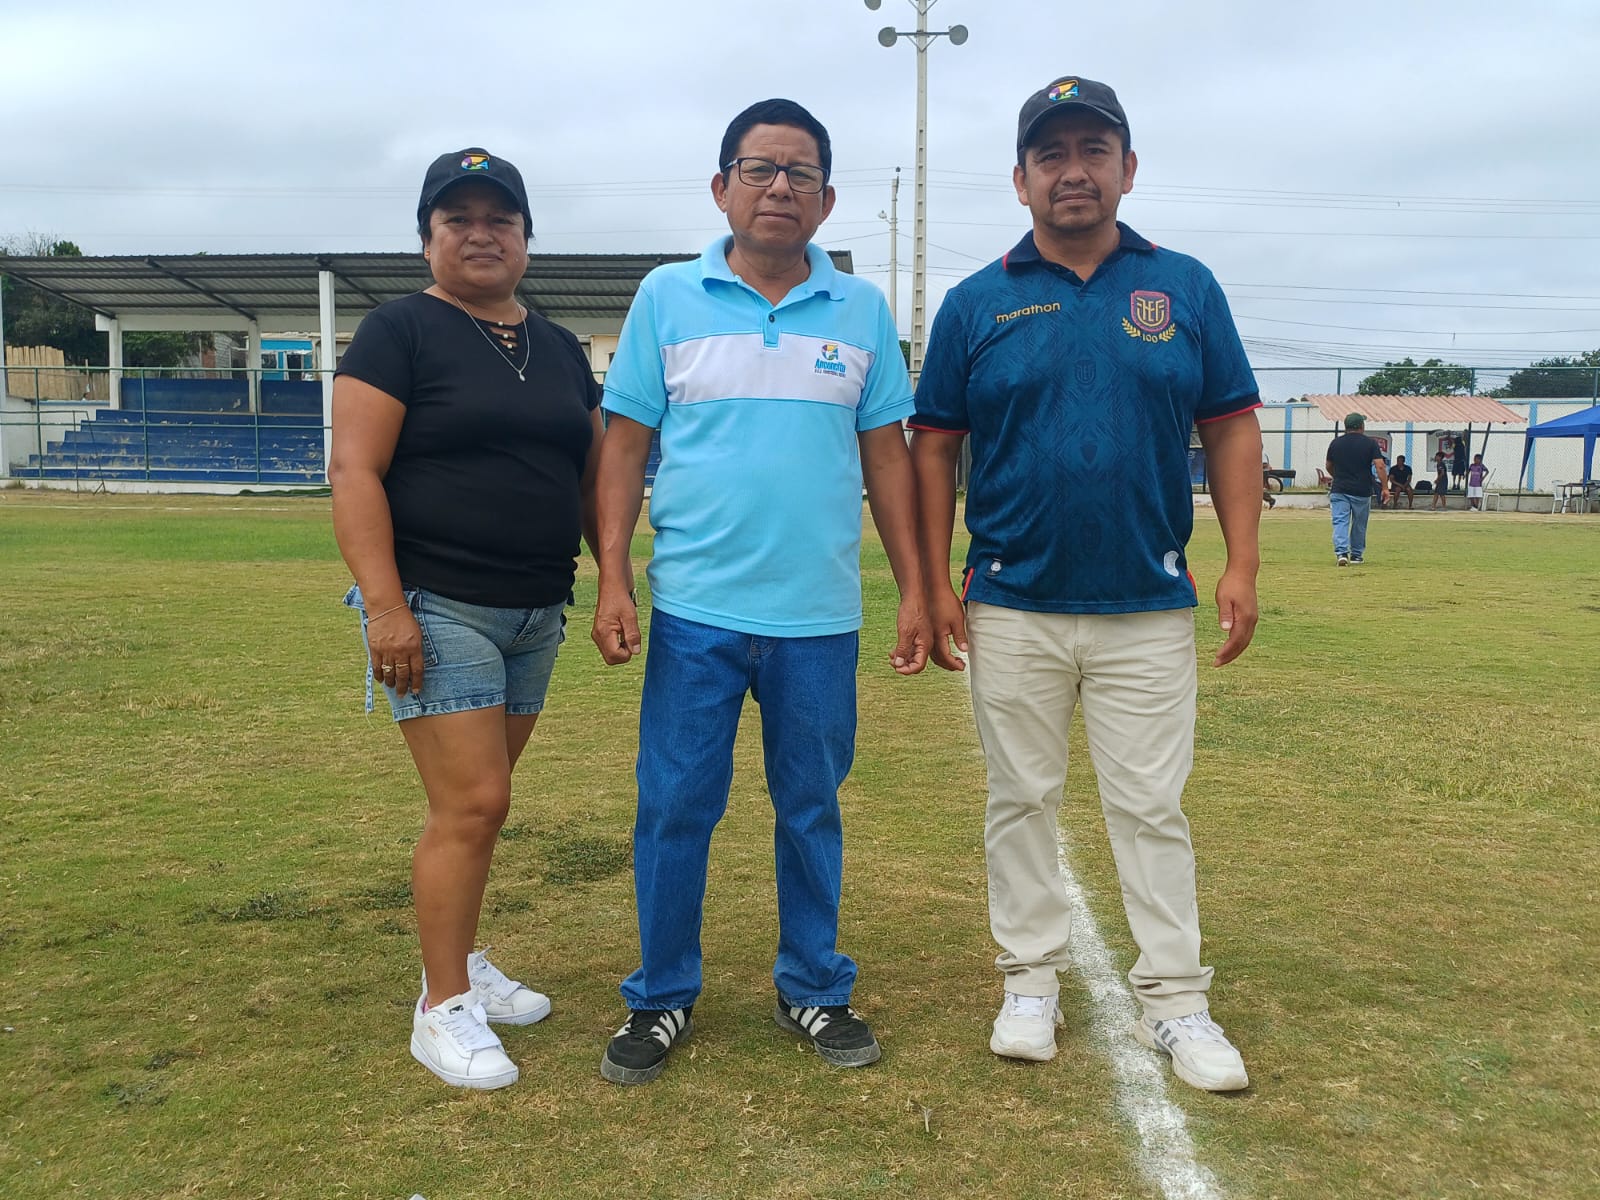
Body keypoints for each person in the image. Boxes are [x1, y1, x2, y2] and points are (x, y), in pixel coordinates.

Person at [909, 75, 1260, 1092]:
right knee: (1020, 799)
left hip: (1146, 602)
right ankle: (1029, 983)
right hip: (1012, 600)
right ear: (1020, 179)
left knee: (1151, 806)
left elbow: (1231, 426)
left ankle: (1176, 1001)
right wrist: (931, 581)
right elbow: (934, 448)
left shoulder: (1183, 287)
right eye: (1051, 154)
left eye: (1093, 151)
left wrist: (1241, 561)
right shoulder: (976, 302)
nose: (1074, 171)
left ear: (1127, 169)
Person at [590, 98, 929, 1086]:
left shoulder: (861, 313)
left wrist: (915, 588)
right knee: (673, 809)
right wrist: (612, 575)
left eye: (800, 173)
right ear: (721, 187)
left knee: (810, 806)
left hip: (817, 620)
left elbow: (889, 461)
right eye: (759, 169)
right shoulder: (666, 297)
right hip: (693, 614)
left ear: (826, 200)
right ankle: (661, 995)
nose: (779, 187)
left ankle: (813, 986)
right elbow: (624, 448)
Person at [328, 147, 604, 1090]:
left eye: (501, 219)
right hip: (436, 605)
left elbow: (592, 479)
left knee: (480, 804)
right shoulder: (397, 330)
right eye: (459, 219)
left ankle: (460, 960)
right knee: (475, 803)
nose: (481, 234)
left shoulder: (560, 347)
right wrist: (385, 608)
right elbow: (353, 470)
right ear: (427, 238)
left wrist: (614, 579)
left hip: (536, 610)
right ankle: (441, 1006)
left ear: (526, 237)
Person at [1326, 412, 1390, 565]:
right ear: (1362, 426)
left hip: (1339, 488)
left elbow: (1328, 465)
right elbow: (1380, 465)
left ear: (1345, 426)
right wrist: (1385, 487)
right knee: (1359, 523)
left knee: (1340, 521)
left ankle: (1341, 553)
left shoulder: (1335, 443)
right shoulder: (1370, 443)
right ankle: (1356, 555)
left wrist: (1337, 476)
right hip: (1362, 490)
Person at [1261, 444, 1275, 509]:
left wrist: (1255, 466)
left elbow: (1265, 464)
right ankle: (1270, 500)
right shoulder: (1260, 454)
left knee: (1259, 489)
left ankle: (1270, 500)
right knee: (1258, 490)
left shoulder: (1262, 454)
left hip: (1264, 473)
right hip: (1261, 473)